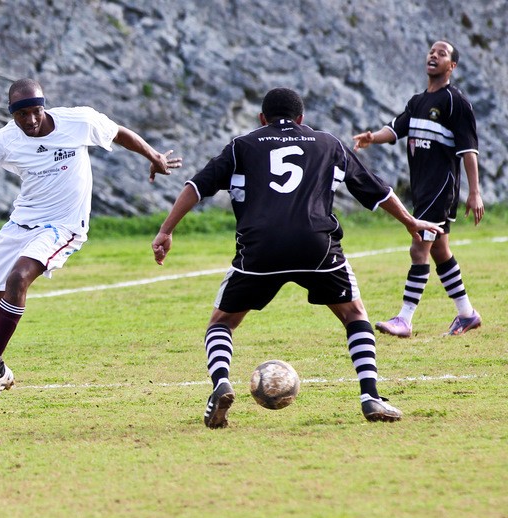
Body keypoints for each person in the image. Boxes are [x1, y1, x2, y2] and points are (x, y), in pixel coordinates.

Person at [152, 87, 444, 429]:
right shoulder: (328, 143)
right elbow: (375, 190)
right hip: (316, 246)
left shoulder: (241, 145)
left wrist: (166, 230)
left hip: (261, 248)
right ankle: (370, 395)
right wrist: (410, 222)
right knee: (354, 314)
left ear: (262, 118)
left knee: (222, 323)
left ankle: (221, 383)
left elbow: (196, 186)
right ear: (301, 118)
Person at [0, 78, 182, 412]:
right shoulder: (6, 139)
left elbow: (118, 132)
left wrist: (153, 155)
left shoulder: (78, 121)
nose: (31, 120)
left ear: (44, 106)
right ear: (12, 114)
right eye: (22, 115)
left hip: (64, 225)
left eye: (35, 111)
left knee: (18, 278)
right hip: (20, 223)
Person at [353, 39, 484, 337]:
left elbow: (469, 150)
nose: (434, 55)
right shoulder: (417, 101)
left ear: (452, 66)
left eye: (442, 53)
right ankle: (467, 314)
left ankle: (404, 319)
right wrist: (372, 137)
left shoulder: (455, 102)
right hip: (423, 188)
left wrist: (475, 192)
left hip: (440, 189)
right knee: (439, 249)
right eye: (431, 52)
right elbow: (395, 129)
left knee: (418, 248)